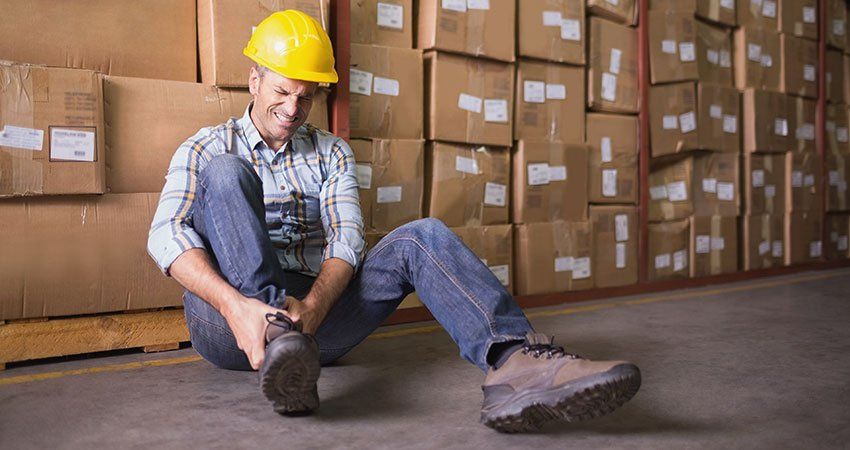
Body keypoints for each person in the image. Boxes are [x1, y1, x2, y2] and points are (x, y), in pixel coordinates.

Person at [147, 10, 641, 433]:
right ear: (254, 80)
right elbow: (165, 233)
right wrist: (238, 308)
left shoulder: (332, 153)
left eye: (306, 96)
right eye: (281, 91)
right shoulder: (207, 147)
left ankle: (515, 362)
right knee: (227, 174)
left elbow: (347, 241)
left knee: (420, 236)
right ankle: (278, 343)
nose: (293, 108)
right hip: (226, 320)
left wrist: (314, 310)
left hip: (317, 319)